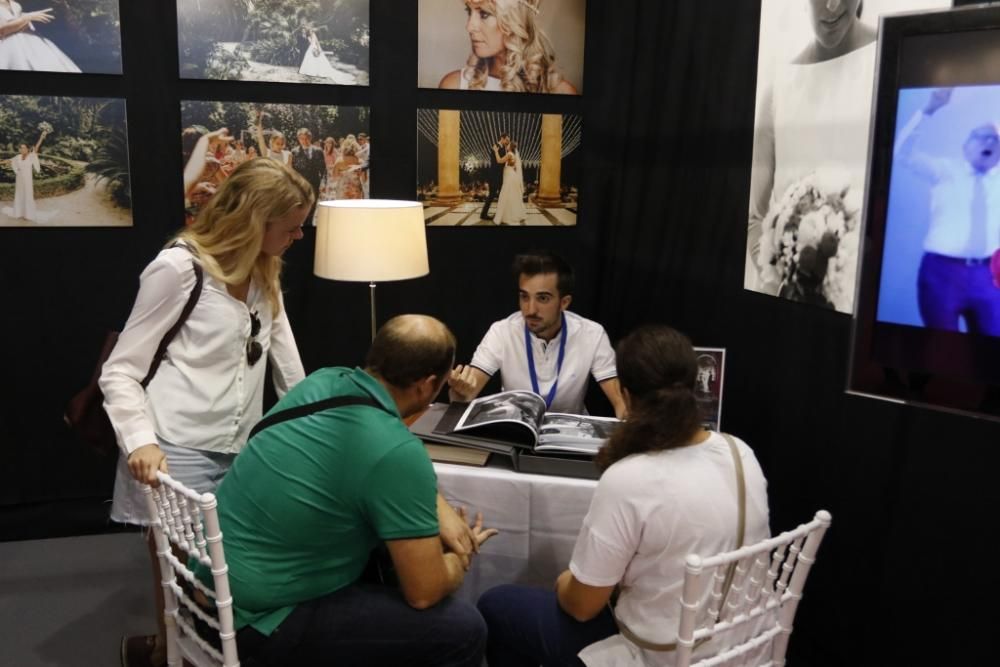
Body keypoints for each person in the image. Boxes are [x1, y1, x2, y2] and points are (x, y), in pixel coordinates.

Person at [99, 158, 313, 667]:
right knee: (184, 574)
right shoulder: (178, 268)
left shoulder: (266, 270)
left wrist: (317, 422)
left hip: (242, 446)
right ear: (257, 220)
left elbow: (286, 362)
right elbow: (120, 371)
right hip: (175, 446)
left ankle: (186, 652)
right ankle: (171, 652)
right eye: (292, 226)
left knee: (230, 572)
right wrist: (140, 442)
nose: (300, 235)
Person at [202, 314, 497, 666]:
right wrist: (457, 563)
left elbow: (360, 464)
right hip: (258, 622)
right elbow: (425, 593)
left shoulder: (322, 382)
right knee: (464, 628)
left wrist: (438, 506)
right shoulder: (396, 450)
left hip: (208, 589)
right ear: (427, 385)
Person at [477, 325, 770, 666]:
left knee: (497, 604)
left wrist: (563, 582)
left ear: (627, 397)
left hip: (658, 655)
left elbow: (582, 607)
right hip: (745, 646)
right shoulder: (741, 452)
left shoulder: (629, 479)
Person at [745, 0, 874, 307]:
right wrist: (782, 282)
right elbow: (754, 217)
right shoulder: (779, 88)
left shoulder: (888, 61)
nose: (832, 6)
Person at [449, 251, 627, 418]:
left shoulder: (591, 334)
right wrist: (461, 392)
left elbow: (620, 401)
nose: (530, 309)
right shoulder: (502, 331)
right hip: (515, 430)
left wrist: (629, 414)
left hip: (568, 435)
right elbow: (469, 391)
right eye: (524, 297)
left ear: (564, 302)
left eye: (543, 298)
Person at [894, 87, 1000, 336]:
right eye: (981, 136)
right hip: (941, 275)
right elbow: (903, 154)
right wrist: (929, 109)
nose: (988, 141)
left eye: (994, 139)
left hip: (988, 276)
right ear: (966, 146)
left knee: (991, 357)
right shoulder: (944, 172)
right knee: (943, 350)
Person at [438, 0, 577, 94]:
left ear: (515, 22)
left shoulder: (561, 92)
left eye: (484, 14)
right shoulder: (454, 86)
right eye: (469, 12)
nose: (469, 26)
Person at [0, 1, 81, 72]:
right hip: (8, 46)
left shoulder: (14, 3)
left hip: (30, 41)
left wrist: (28, 18)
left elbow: (18, 20)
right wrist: (27, 18)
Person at [2, 127, 51, 222]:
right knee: (20, 194)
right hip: (19, 178)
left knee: (27, 194)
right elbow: (9, 161)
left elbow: (37, 147)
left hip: (28, 179)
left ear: (28, 149)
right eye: (21, 148)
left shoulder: (31, 156)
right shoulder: (18, 156)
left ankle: (28, 214)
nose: (22, 149)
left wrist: (42, 136)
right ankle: (19, 212)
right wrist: (1, 162)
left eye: (24, 148)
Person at [492, 139, 526, 225]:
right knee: (511, 195)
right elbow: (513, 167)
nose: (506, 146)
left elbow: (499, 161)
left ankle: (508, 216)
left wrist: (496, 151)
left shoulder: (509, 154)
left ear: (510, 147)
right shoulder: (513, 155)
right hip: (511, 176)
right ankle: (512, 214)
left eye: (508, 145)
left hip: (509, 178)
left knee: (506, 194)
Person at [290, 127, 327, 200]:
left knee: (313, 206)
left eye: (306, 138)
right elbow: (292, 170)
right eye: (302, 139)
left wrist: (324, 183)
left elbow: (323, 170)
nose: (304, 141)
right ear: (298, 139)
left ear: (310, 138)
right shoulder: (294, 152)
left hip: (315, 184)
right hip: (300, 185)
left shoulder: (318, 151)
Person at [479, 132, 509, 220]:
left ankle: (500, 214)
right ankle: (483, 214)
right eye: (506, 140)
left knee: (500, 194)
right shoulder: (495, 146)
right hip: (494, 175)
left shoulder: (503, 147)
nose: (507, 142)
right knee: (492, 195)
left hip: (499, 176)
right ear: (502, 138)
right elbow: (496, 162)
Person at [333, 135, 364, 199]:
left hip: (343, 189)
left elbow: (334, 176)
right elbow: (364, 179)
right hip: (356, 190)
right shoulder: (360, 162)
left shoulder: (338, 161)